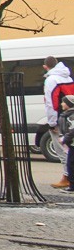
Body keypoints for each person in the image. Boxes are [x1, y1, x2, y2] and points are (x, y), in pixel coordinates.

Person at [43, 55, 74, 189]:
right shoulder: (68, 77)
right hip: (70, 116)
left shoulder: (51, 80)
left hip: (60, 118)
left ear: (45, 67)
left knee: (62, 149)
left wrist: (52, 123)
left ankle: (67, 177)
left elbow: (51, 102)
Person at [59, 94, 74, 193]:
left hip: (72, 143)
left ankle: (72, 186)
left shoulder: (71, 116)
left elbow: (72, 130)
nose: (61, 103)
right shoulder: (67, 114)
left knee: (71, 164)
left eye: (63, 101)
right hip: (71, 143)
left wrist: (65, 139)